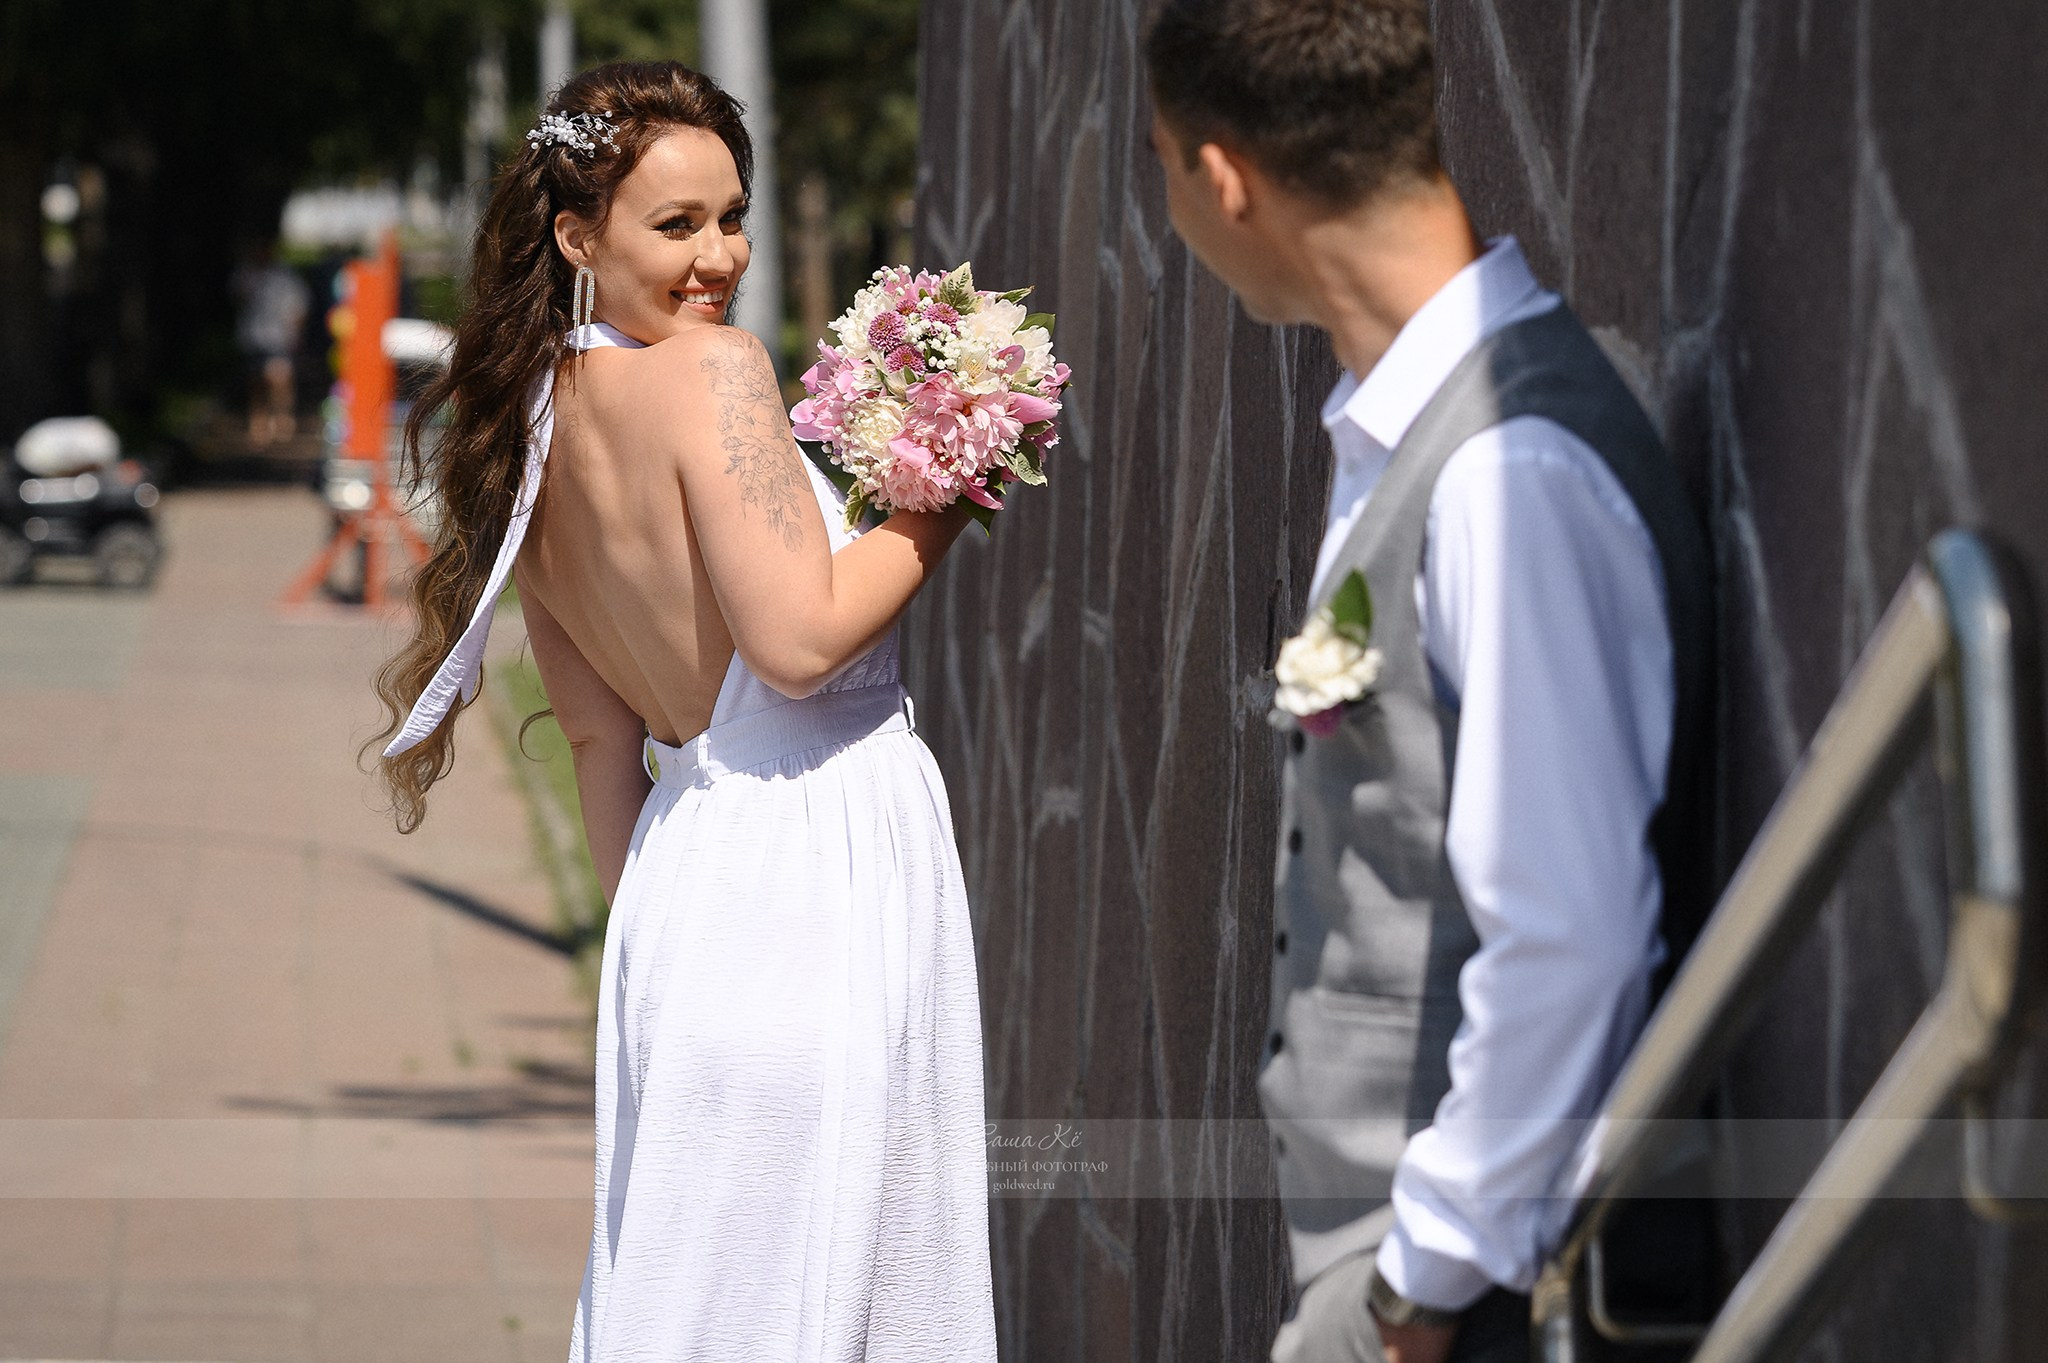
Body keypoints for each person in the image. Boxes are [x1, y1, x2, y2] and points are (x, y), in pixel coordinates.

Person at [365, 62, 998, 1362]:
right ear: (576, 236)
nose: (720, 256)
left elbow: (602, 738)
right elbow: (800, 640)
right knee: (828, 1285)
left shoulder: (525, 428)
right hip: (814, 863)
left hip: (684, 891)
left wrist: (655, 938)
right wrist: (948, 487)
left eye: (732, 216)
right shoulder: (713, 370)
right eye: (677, 224)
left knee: (698, 1294)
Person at [1143, 3, 1711, 1362]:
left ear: (1223, 176)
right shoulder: (1421, 428)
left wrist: (1417, 1287)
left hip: (1478, 1288)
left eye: (1162, 171)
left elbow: (1569, 932)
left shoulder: (1509, 470)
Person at [232, 243, 310, 446]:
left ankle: (282, 419)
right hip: (254, 338)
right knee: (257, 382)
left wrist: (296, 334)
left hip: (279, 339)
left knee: (279, 379)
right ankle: (259, 422)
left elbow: (298, 307)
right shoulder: (246, 274)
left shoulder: (286, 277)